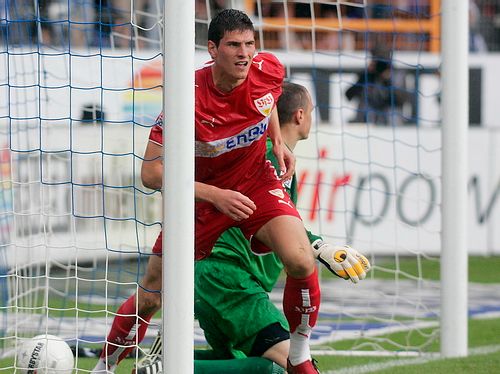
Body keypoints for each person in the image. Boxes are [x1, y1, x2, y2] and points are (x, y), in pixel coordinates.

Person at [92, 9, 365, 374]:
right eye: (234, 45)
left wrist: (277, 141)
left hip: (255, 182)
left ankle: (298, 351)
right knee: (152, 292)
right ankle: (105, 368)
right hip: (201, 200)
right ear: (212, 49)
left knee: (300, 259)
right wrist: (214, 195)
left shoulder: (268, 70)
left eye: (250, 44)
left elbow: (267, 101)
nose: (245, 53)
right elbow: (151, 173)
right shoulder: (185, 99)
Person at [133, 82, 370, 374]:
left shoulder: (272, 157)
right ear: (299, 116)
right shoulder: (266, 157)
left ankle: (171, 364)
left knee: (249, 364)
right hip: (229, 280)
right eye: (311, 111)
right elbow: (272, 224)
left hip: (221, 278)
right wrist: (321, 248)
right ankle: (166, 369)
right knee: (291, 365)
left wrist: (320, 246)